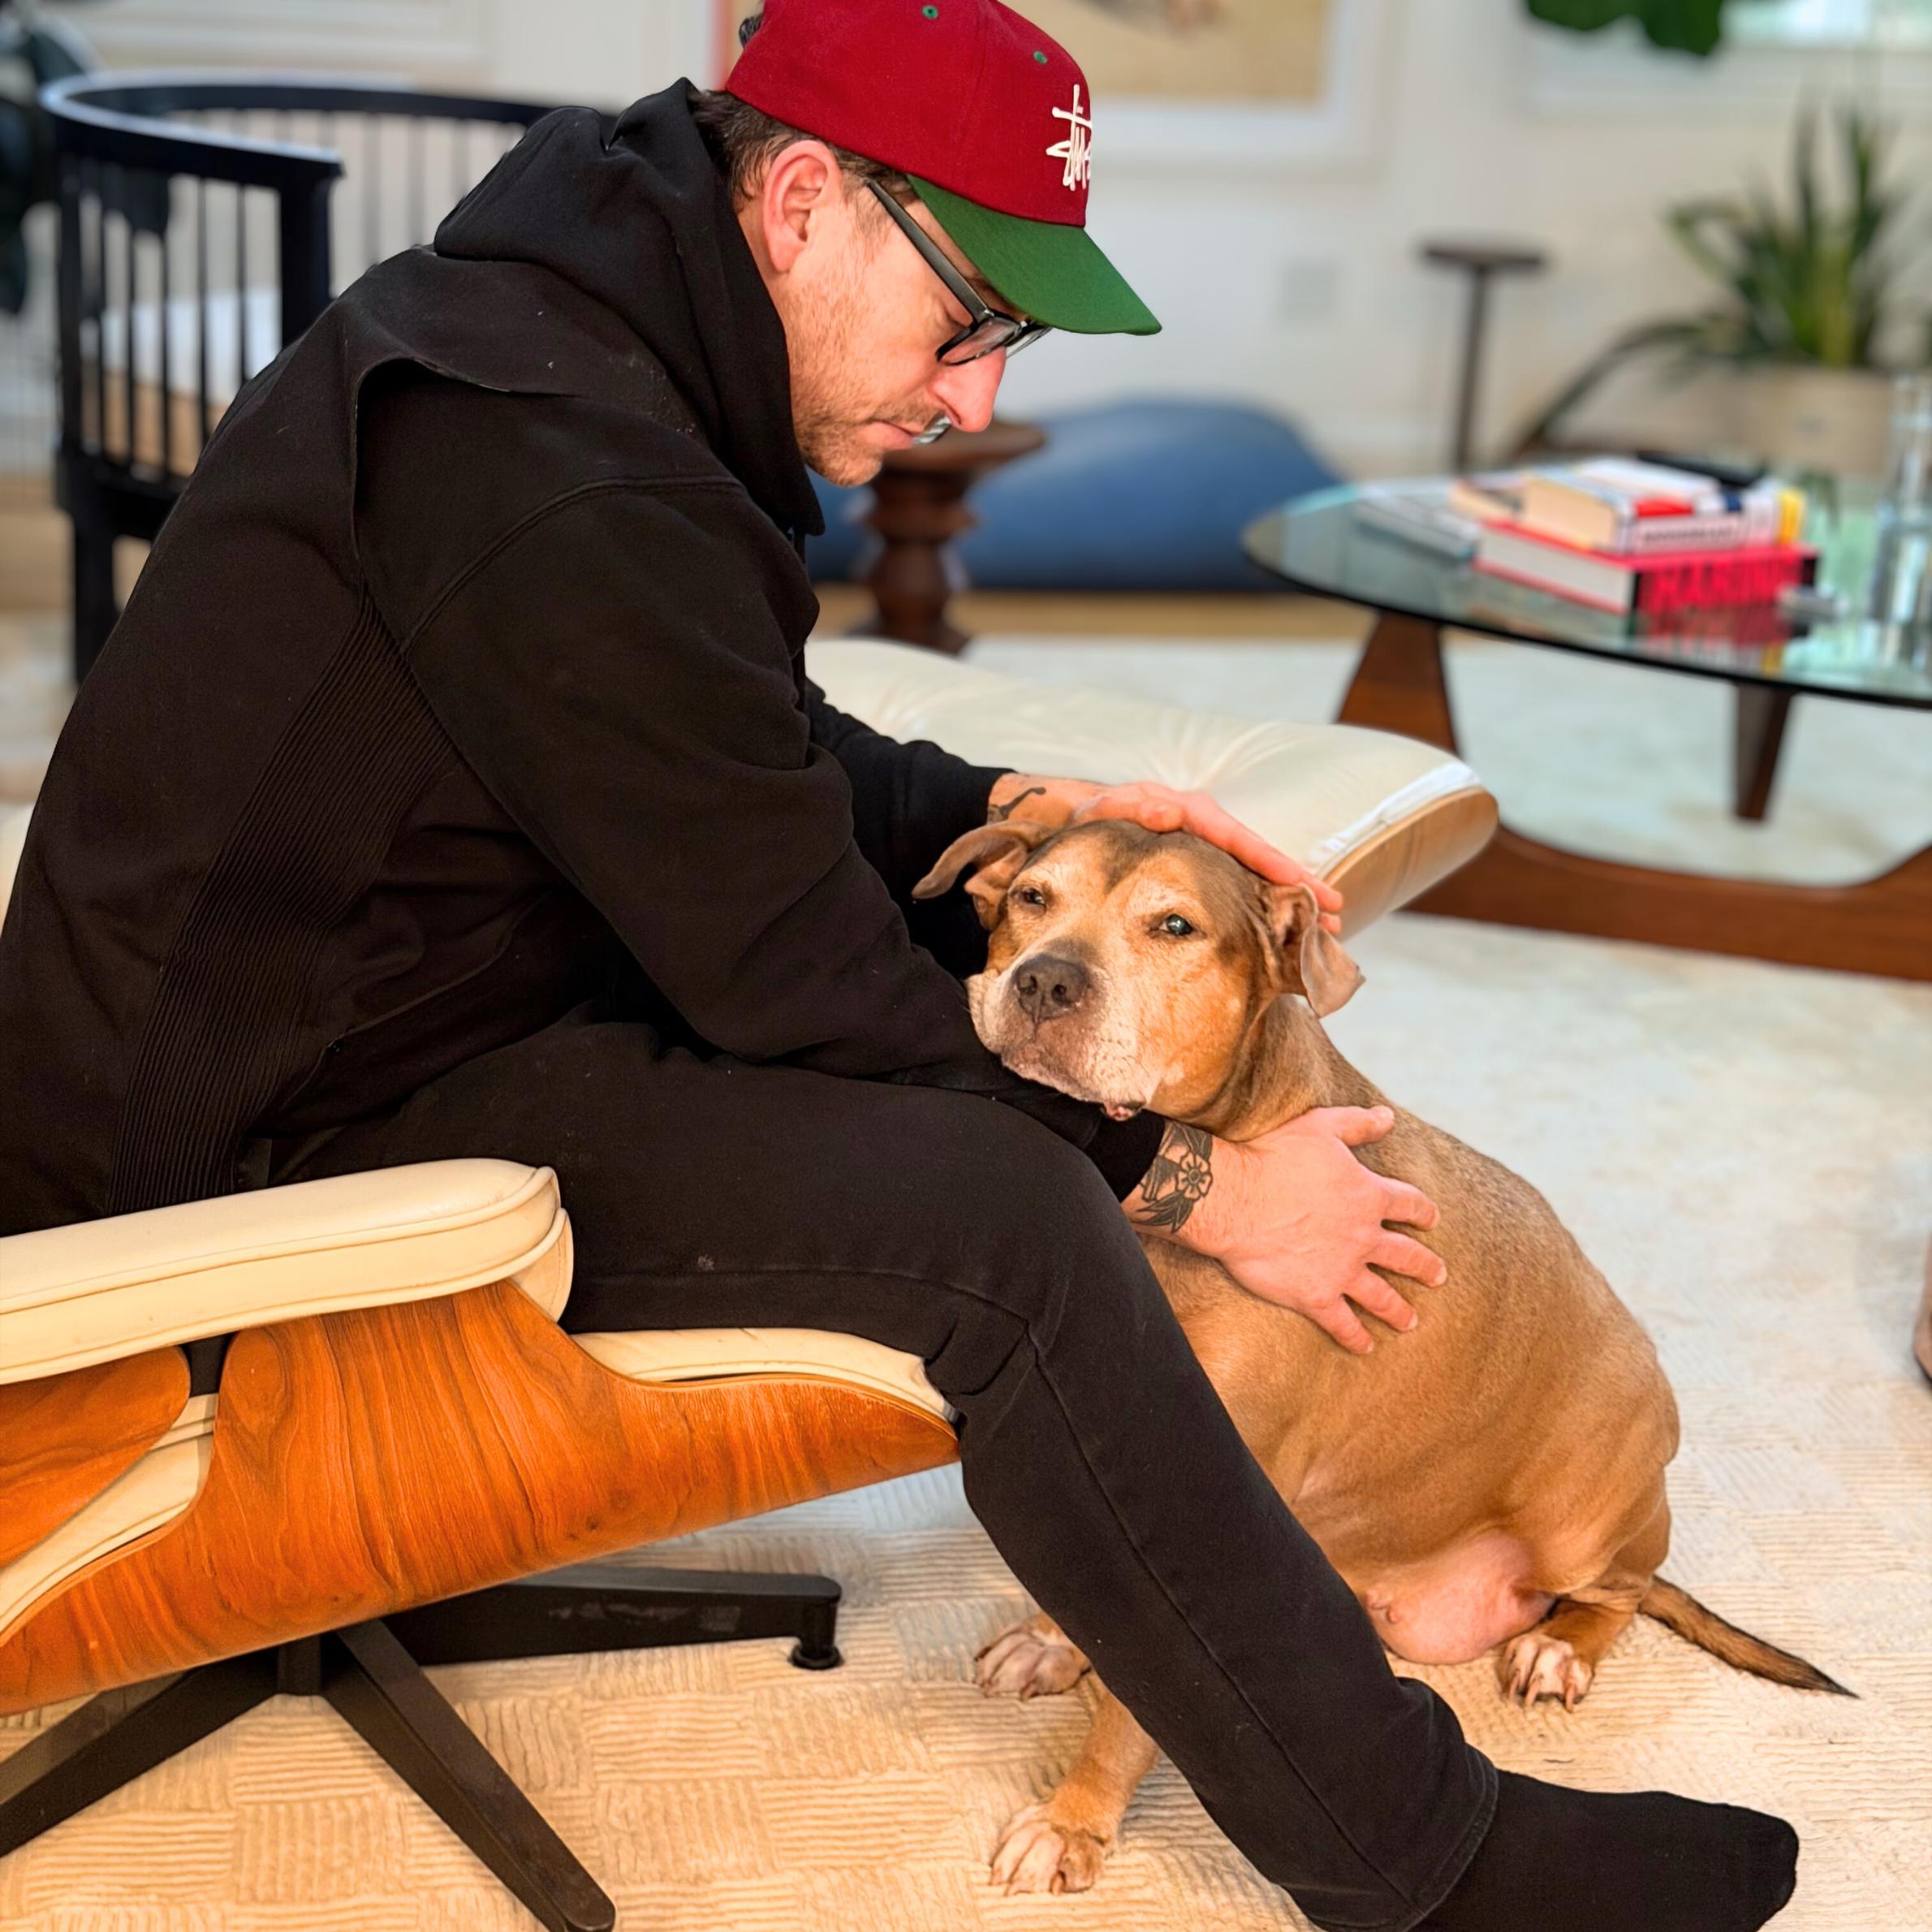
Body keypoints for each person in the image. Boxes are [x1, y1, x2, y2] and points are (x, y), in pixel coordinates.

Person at [0, 1, 1799, 1926]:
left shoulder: (592, 342)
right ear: (796, 203)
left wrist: (1038, 803)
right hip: (264, 1132)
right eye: (967, 325)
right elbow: (791, 967)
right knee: (1011, 1213)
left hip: (427, 985)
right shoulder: (551, 456)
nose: (968, 401)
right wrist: (1194, 1182)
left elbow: (740, 746)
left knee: (983, 1049)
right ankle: (1418, 1857)